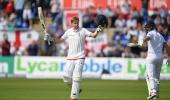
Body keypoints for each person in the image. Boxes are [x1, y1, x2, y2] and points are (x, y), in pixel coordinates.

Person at [44, 16, 102, 100]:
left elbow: (93, 35)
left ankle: (74, 97)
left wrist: (97, 30)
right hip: (70, 58)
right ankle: (76, 89)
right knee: (66, 77)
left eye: (77, 23)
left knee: (76, 77)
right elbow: (59, 40)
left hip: (80, 57)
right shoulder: (68, 32)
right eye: (74, 23)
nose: (76, 25)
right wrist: (50, 38)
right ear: (71, 23)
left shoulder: (83, 30)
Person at [138, 21, 170, 99]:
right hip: (160, 58)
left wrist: (142, 41)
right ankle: (157, 92)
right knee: (157, 77)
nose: (146, 29)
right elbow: (166, 46)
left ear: (151, 27)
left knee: (150, 75)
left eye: (147, 27)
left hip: (151, 57)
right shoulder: (160, 35)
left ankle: (153, 91)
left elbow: (148, 37)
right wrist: (169, 56)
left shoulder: (151, 33)